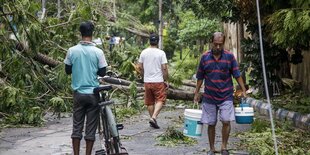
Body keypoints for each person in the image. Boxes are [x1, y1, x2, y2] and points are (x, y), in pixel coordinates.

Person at [194, 32, 246, 155]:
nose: (218, 47)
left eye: (220, 45)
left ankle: (224, 147)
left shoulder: (229, 57)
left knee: (226, 121)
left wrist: (243, 90)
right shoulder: (205, 57)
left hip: (226, 95)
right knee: (211, 123)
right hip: (209, 97)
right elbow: (200, 77)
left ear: (223, 43)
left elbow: (237, 75)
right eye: (216, 44)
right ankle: (212, 149)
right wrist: (196, 92)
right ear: (212, 42)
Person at [64, 21, 108, 155]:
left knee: (77, 127)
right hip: (93, 94)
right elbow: (102, 72)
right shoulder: (98, 52)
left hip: (78, 94)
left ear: (80, 33)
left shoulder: (72, 51)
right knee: (90, 128)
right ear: (92, 33)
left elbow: (67, 70)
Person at [138, 33, 169, 129]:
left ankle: (152, 119)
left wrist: (144, 74)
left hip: (147, 81)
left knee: (150, 102)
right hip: (158, 81)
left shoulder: (143, 52)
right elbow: (164, 68)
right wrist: (166, 79)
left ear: (149, 41)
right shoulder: (161, 53)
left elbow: (139, 67)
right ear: (158, 42)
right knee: (160, 99)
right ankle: (154, 117)